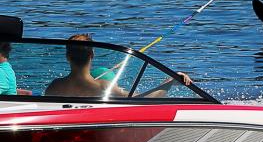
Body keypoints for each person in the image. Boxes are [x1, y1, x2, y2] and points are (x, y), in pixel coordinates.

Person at [45, 33, 192, 99]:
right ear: (92, 56)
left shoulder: (54, 86)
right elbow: (143, 99)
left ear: (67, 57)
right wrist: (169, 81)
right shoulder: (103, 87)